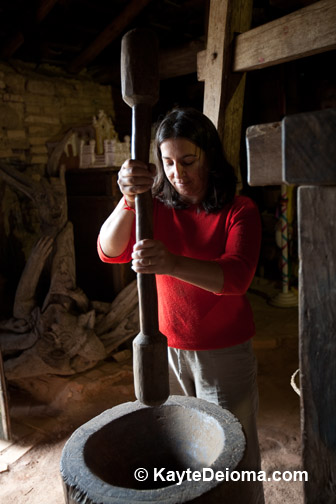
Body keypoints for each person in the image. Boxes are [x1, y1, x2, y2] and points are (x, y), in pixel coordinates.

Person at [98, 108, 264, 502]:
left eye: (188, 161)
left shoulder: (240, 210)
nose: (178, 173)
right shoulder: (155, 207)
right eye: (168, 163)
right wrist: (127, 198)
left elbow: (236, 278)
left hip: (224, 353)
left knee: (234, 454)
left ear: (208, 155)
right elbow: (108, 249)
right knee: (184, 449)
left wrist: (171, 263)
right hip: (167, 349)